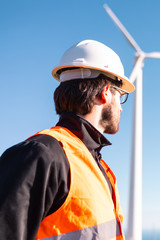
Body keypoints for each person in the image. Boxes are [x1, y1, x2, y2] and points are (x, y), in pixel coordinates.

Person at [0, 39, 135, 240]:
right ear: (106, 92)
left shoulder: (96, 167)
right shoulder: (41, 154)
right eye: (121, 95)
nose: (122, 107)